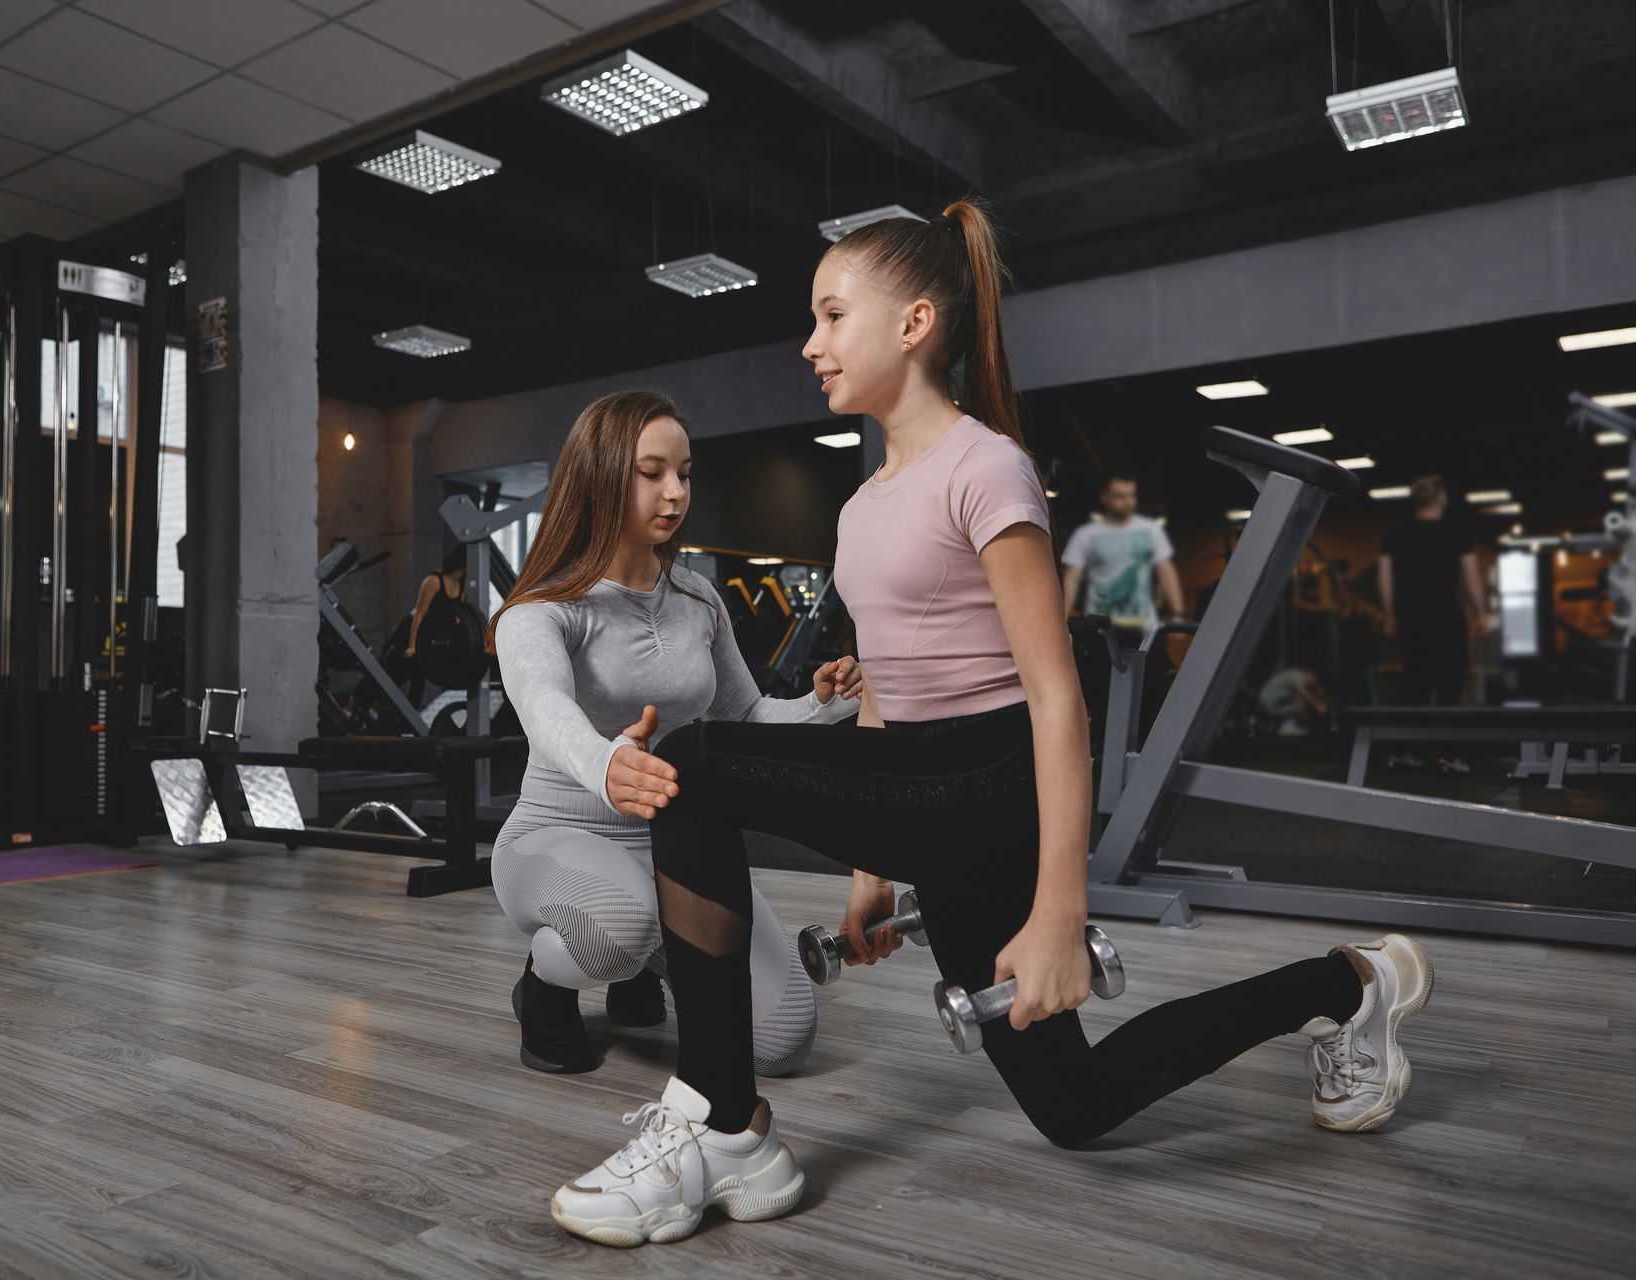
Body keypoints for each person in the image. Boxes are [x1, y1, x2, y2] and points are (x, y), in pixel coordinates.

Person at [544, 199, 1436, 1247]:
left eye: (833, 316)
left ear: (914, 323)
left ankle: (724, 1121)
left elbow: (1057, 695)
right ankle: (1351, 982)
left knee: (690, 761)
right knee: (1078, 1103)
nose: (810, 342)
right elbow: (883, 675)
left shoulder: (988, 468)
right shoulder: (863, 502)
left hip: (985, 782)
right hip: (921, 787)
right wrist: (871, 867)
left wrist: (1062, 908)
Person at [488, 390, 862, 1077]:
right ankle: (544, 986)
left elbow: (745, 716)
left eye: (684, 473)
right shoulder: (542, 609)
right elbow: (545, 710)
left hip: (679, 848)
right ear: (600, 476)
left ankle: (642, 962)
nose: (675, 492)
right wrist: (608, 766)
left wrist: (822, 704)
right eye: (651, 472)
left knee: (783, 1039)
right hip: (555, 837)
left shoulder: (697, 599)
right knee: (618, 925)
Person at [1378, 476, 1490, 708]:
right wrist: (1481, 613)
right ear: (1442, 499)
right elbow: (1472, 578)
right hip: (1447, 616)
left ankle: (1414, 741)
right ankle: (1444, 740)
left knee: (1416, 680)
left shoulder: (1395, 536)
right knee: (1451, 683)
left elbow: (1385, 580)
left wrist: (1390, 615)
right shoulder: (1457, 533)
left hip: (1412, 619)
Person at [1060, 470, 1185, 633]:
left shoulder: (1150, 530)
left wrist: (1178, 614)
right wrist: (1062, 621)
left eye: (1131, 496)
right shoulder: (1085, 534)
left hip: (1144, 626)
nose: (1128, 502)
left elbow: (1166, 570)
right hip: (1101, 628)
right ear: (1105, 498)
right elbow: (1072, 578)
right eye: (1120, 496)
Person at [405, 544, 470, 662]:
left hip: (437, 633)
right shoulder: (433, 581)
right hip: (417, 632)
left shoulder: (462, 582)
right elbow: (419, 614)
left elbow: (457, 613)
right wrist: (411, 646)